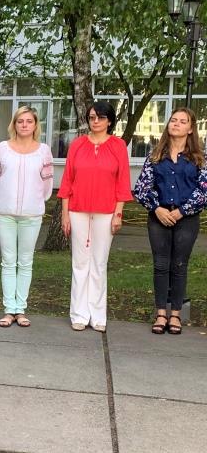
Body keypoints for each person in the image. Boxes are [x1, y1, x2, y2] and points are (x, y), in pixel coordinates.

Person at [58, 100, 132, 332]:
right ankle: (79, 314)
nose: (96, 121)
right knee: (80, 263)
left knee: (99, 263)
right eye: (92, 117)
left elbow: (123, 182)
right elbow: (67, 180)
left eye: (100, 117)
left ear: (109, 121)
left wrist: (118, 213)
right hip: (77, 210)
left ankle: (98, 315)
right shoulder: (77, 145)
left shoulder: (118, 146)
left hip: (107, 211)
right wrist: (65, 214)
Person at [133, 107, 207, 335]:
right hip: (159, 217)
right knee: (160, 265)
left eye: (182, 121)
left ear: (190, 128)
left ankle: (175, 314)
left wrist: (182, 210)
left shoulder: (199, 158)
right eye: (173, 120)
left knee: (179, 265)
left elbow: (204, 190)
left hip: (186, 219)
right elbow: (142, 188)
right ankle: (160, 314)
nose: (176, 124)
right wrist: (157, 208)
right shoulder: (155, 156)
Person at [0, 106, 54, 327]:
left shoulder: (43, 151)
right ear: (14, 124)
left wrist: (35, 202)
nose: (24, 125)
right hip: (4, 213)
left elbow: (47, 183)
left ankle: (21, 310)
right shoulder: (2, 149)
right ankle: (9, 310)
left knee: (25, 262)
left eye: (29, 121)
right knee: (8, 261)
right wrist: (2, 198)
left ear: (35, 125)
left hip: (32, 215)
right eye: (20, 121)